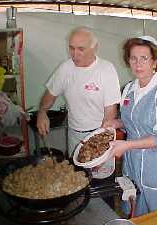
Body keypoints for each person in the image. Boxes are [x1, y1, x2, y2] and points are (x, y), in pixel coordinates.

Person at [103, 36, 157, 216]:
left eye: (144, 58)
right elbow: (131, 121)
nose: (138, 64)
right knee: (136, 211)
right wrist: (115, 122)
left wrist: (127, 145)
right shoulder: (129, 88)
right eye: (133, 58)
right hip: (133, 163)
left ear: (155, 62)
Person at [36, 26, 121, 157]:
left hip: (99, 134)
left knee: (99, 177)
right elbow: (50, 95)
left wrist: (100, 145)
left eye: (81, 49)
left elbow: (110, 112)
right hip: (74, 135)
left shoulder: (106, 70)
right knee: (77, 174)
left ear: (94, 48)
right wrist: (42, 112)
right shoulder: (65, 68)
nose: (74, 54)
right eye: (71, 48)